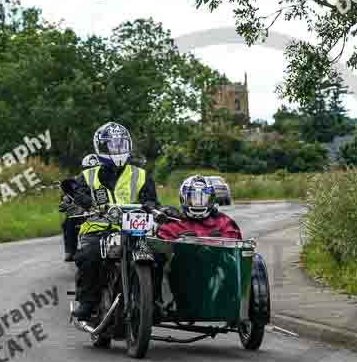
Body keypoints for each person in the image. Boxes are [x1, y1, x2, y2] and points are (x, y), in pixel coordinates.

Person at [70, 123, 159, 320]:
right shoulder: (88, 175)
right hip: (98, 228)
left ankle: (154, 301)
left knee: (160, 254)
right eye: (112, 145)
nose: (118, 149)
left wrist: (152, 206)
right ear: (101, 147)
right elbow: (76, 192)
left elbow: (151, 199)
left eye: (121, 144)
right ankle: (87, 302)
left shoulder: (140, 174)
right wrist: (86, 202)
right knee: (89, 255)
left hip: (134, 230)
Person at [157, 175, 242, 240]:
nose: (198, 203)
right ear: (183, 198)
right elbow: (162, 255)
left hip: (218, 263)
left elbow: (235, 252)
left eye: (203, 198)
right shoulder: (172, 225)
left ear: (211, 199)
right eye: (193, 198)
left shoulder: (224, 223)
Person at [59, 154, 101, 262]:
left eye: (95, 168)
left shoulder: (107, 179)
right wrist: (66, 201)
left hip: (105, 211)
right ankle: (70, 251)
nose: (91, 171)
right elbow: (68, 195)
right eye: (88, 169)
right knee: (68, 222)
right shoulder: (79, 180)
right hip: (84, 212)